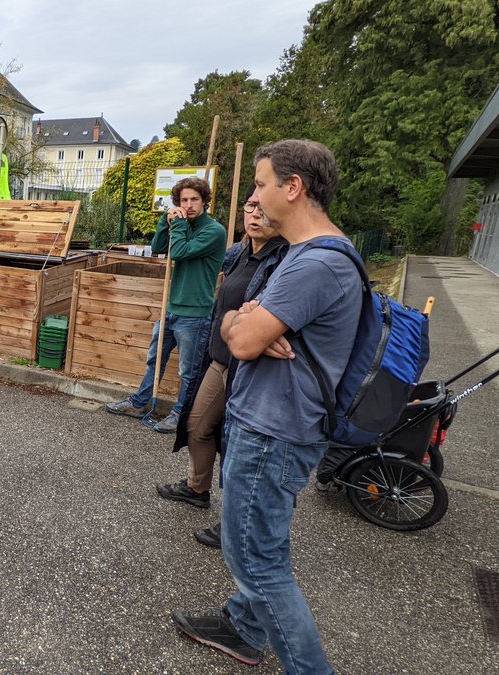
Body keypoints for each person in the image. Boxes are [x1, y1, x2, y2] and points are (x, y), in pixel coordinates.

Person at [172, 140, 359, 673]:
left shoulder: (315, 263)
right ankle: (244, 628)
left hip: (275, 430)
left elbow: (244, 340)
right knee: (254, 549)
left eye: (259, 184)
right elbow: (240, 323)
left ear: (292, 187)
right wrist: (245, 322)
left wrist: (246, 325)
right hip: (272, 423)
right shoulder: (305, 256)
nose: (253, 195)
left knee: (258, 562)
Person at [154, 186, 287, 548]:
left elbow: (181, 251)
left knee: (240, 446)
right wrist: (169, 225)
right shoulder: (241, 253)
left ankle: (238, 525)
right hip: (220, 358)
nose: (255, 214)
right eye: (249, 206)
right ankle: (197, 487)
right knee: (197, 426)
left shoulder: (283, 261)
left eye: (263, 209)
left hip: (251, 369)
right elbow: (163, 249)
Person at [106, 177, 226, 433]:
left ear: (205, 201)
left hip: (195, 314)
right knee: (154, 360)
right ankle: (139, 403)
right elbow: (159, 247)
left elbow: (180, 251)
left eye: (194, 199)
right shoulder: (183, 224)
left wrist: (179, 223)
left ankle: (180, 414)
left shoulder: (213, 231)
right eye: (184, 200)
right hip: (170, 309)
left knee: (188, 371)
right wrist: (165, 221)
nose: (189, 205)